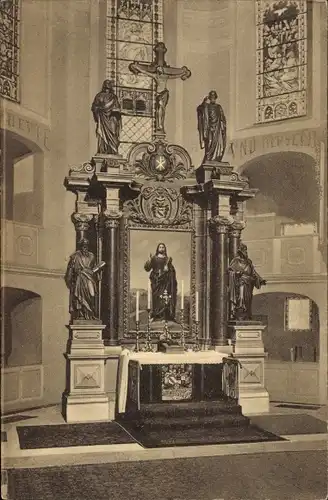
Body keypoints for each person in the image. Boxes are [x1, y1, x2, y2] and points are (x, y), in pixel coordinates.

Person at [65, 238, 105, 320]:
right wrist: (70, 281)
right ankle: (81, 315)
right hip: (80, 279)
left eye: (86, 246)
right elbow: (70, 270)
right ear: (80, 246)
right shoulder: (75, 256)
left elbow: (94, 268)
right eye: (83, 246)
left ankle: (90, 314)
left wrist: (98, 269)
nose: (84, 247)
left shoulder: (91, 256)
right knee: (80, 296)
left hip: (90, 279)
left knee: (92, 295)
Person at [228, 243, 266, 321]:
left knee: (247, 300)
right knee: (241, 300)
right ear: (240, 251)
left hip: (249, 284)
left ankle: (246, 314)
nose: (246, 252)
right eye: (244, 250)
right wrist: (236, 273)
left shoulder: (249, 262)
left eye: (246, 250)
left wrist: (260, 280)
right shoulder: (236, 261)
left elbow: (254, 273)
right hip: (241, 283)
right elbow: (230, 272)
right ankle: (239, 313)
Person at [144, 243, 177, 322]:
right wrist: (149, 261)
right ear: (158, 248)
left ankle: (163, 317)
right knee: (156, 298)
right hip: (156, 281)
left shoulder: (167, 259)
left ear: (165, 249)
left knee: (164, 298)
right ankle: (156, 315)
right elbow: (147, 268)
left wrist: (168, 269)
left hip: (165, 282)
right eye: (160, 247)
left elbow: (172, 271)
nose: (161, 248)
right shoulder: (154, 258)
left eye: (163, 247)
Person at [91, 80, 122, 155]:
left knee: (113, 133)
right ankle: (103, 151)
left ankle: (113, 151)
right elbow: (94, 107)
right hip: (103, 119)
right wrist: (102, 110)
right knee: (103, 137)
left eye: (110, 84)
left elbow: (117, 107)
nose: (108, 85)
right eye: (107, 83)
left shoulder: (113, 97)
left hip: (112, 118)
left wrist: (115, 110)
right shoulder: (99, 96)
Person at [197, 90, 227, 163]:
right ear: (209, 98)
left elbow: (223, 118)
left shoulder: (219, 107)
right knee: (210, 143)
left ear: (215, 97)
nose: (213, 98)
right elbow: (199, 109)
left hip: (218, 128)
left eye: (214, 96)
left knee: (219, 145)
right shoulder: (206, 106)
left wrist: (223, 126)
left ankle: (217, 158)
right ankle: (209, 157)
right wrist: (203, 102)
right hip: (210, 128)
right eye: (211, 96)